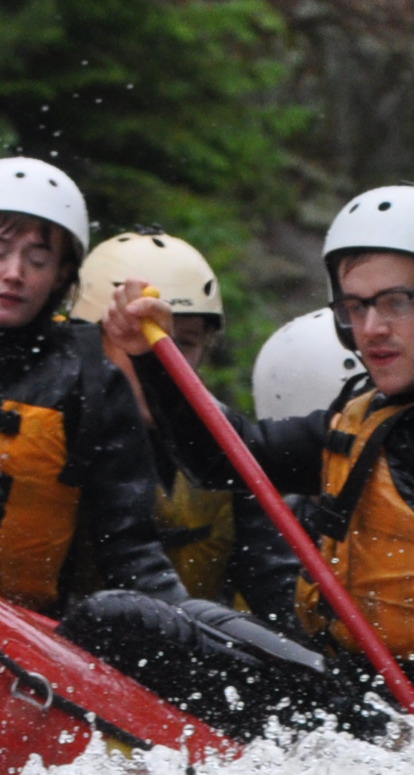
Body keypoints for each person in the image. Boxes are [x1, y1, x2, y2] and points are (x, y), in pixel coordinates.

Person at [69, 187, 414, 734]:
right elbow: (225, 461)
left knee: (122, 620)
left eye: (395, 302)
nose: (371, 329)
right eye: (355, 305)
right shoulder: (374, 415)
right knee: (166, 616)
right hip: (358, 696)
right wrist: (151, 361)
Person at [0, 158, 186, 615]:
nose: (15, 273)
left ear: (63, 273)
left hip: (15, 627)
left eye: (38, 259)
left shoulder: (93, 378)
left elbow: (129, 549)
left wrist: (187, 628)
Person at [73, 231, 297, 618]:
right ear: (94, 340)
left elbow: (274, 585)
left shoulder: (226, 445)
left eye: (186, 342)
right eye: (141, 335)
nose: (163, 359)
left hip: (187, 654)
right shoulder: (62, 428)